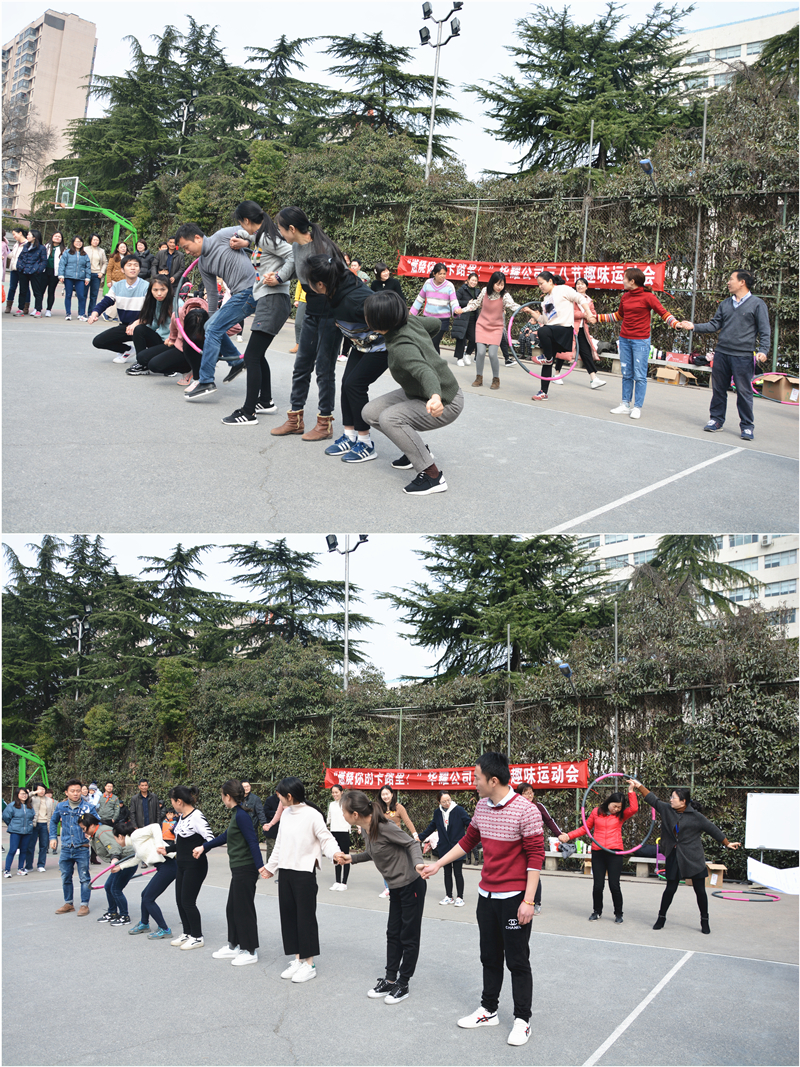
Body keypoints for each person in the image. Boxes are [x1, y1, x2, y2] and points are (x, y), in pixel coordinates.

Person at [420, 752, 544, 1048]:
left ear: (494, 780)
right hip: (486, 896)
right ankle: (489, 1010)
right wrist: (438, 864)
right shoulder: (481, 807)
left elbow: (535, 857)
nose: (473, 783)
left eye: (477, 778)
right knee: (489, 956)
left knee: (517, 959)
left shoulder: (526, 811)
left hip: (514, 898)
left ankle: (523, 1020)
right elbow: (468, 841)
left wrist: (528, 901)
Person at [362, 290, 465, 496]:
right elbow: (435, 324)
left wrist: (435, 396)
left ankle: (432, 476)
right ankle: (417, 451)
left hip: (446, 400)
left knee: (390, 418)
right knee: (370, 413)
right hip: (419, 392)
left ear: (377, 321)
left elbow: (425, 371)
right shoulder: (410, 321)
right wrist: (423, 345)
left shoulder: (401, 346)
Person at [339, 789, 427, 1004]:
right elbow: (374, 852)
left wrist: (418, 863)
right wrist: (352, 858)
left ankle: (403, 983)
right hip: (396, 887)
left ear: (355, 814)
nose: (343, 815)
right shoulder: (366, 829)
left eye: (344, 811)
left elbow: (412, 843)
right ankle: (389, 979)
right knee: (393, 933)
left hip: (411, 884)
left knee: (408, 935)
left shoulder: (384, 826)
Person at [268, 206, 348, 441]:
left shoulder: (324, 248)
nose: (280, 233)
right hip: (311, 312)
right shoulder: (296, 246)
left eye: (281, 229)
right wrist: (278, 278)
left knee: (324, 369)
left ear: (292, 228)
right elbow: (293, 266)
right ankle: (295, 419)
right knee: (301, 366)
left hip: (331, 315)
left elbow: (343, 280)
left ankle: (325, 423)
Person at [305, 253, 389, 463]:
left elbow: (390, 317)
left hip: (383, 346)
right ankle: (350, 435)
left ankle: (365, 442)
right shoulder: (336, 287)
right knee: (346, 384)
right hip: (361, 344)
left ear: (321, 284)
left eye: (309, 281)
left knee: (355, 385)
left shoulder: (355, 300)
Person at [629, 778, 740, 934]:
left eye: (673, 797)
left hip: (693, 857)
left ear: (683, 801)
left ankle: (705, 921)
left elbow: (712, 829)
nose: (670, 799)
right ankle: (661, 918)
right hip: (674, 856)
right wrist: (638, 786)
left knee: (700, 891)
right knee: (670, 889)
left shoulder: (696, 816)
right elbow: (652, 799)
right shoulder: (667, 810)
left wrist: (727, 843)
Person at [220, 201, 294, 425]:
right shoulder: (262, 235)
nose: (242, 228)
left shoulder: (267, 238)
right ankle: (265, 401)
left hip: (273, 299)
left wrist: (279, 277)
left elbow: (293, 255)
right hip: (269, 300)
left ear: (246, 220)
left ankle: (248, 411)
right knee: (258, 355)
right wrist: (243, 239)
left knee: (251, 356)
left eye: (241, 224)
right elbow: (251, 236)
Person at [678, 270, 771, 442]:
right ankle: (716, 420)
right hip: (722, 354)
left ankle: (747, 426)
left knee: (744, 392)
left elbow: (765, 331)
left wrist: (763, 350)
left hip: (743, 356)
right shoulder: (726, 303)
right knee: (718, 390)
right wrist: (694, 326)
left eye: (731, 279)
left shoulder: (758, 304)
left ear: (742, 282)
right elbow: (714, 325)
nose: (728, 282)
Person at [264, 776, 339, 983]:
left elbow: (326, 838)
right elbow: (279, 844)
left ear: (289, 796)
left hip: (304, 873)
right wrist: (270, 867)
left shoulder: (312, 815)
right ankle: (298, 959)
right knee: (289, 917)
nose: (278, 799)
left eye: (280, 796)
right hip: (286, 872)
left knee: (305, 918)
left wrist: (335, 854)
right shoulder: (286, 814)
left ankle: (309, 964)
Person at [175, 222, 256, 400]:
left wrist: (246, 242)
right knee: (210, 326)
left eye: (186, 247)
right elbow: (211, 294)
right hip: (238, 295)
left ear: (197, 238)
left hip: (251, 290)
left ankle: (206, 381)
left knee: (212, 328)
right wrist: (211, 320)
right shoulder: (203, 264)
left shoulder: (223, 235)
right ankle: (237, 361)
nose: (187, 252)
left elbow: (258, 231)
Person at [194, 779, 269, 967]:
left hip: (245, 868)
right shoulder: (237, 813)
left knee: (244, 910)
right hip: (238, 869)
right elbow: (225, 836)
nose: (222, 798)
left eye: (222, 795)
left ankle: (250, 950)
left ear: (228, 796)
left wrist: (260, 866)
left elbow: (253, 841)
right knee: (233, 908)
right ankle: (234, 945)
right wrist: (204, 847)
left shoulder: (242, 816)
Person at [596, 267, 680, 419]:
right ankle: (625, 404)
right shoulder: (625, 297)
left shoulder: (649, 297)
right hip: (624, 339)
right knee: (626, 373)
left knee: (640, 376)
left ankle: (637, 407)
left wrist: (676, 324)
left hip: (640, 341)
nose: (622, 281)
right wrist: (598, 317)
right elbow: (619, 315)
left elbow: (663, 313)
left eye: (624, 278)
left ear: (632, 281)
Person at [558, 785, 638, 923]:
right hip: (598, 852)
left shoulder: (621, 815)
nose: (616, 809)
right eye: (614, 806)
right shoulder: (596, 812)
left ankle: (618, 913)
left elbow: (634, 808)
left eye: (619, 807)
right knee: (598, 885)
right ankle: (597, 911)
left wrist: (631, 791)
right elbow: (585, 828)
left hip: (615, 852)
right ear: (609, 802)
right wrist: (569, 836)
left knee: (614, 885)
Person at [164, 784, 216, 950]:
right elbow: (182, 843)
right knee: (180, 900)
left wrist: (202, 848)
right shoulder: (181, 817)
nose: (172, 805)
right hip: (181, 864)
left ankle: (197, 936)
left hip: (195, 866)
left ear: (179, 801)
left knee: (188, 901)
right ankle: (187, 932)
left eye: (172, 801)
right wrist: (166, 849)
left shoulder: (197, 816)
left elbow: (210, 838)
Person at [527, 271, 594, 400]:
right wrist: (531, 312)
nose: (540, 286)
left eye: (541, 283)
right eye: (538, 284)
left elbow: (580, 298)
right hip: (552, 332)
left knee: (542, 332)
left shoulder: (563, 289)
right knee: (547, 362)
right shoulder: (546, 300)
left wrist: (588, 312)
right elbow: (546, 320)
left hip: (564, 331)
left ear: (550, 281)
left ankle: (547, 357)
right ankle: (543, 392)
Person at [462, 271, 532, 390]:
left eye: (502, 284)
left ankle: (496, 379)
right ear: (492, 283)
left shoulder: (505, 295)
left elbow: (513, 305)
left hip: (496, 327)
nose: (500, 287)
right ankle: (479, 377)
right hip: (482, 325)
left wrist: (523, 309)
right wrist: (462, 310)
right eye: (497, 284)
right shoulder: (485, 291)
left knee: (493, 354)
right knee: (480, 353)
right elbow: (475, 304)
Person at [49, 779, 98, 915]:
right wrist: (53, 837)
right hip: (66, 847)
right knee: (66, 876)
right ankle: (68, 903)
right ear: (66, 792)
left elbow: (97, 823)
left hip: (82, 847)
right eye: (72, 791)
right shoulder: (61, 806)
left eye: (78, 791)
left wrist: (91, 834)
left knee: (84, 877)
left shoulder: (88, 807)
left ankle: (84, 905)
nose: (76, 793)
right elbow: (53, 822)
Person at [128, 809, 178, 939]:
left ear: (121, 836)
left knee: (148, 899)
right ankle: (144, 923)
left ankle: (165, 929)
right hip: (165, 867)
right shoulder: (138, 845)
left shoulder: (135, 836)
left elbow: (155, 826)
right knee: (144, 894)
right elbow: (136, 859)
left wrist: (158, 845)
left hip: (168, 867)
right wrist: (119, 867)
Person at [78, 813, 137, 926]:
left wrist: (114, 859)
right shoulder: (96, 833)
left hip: (125, 862)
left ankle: (125, 916)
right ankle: (112, 912)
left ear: (91, 825)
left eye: (84, 828)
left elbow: (114, 846)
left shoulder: (102, 832)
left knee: (115, 889)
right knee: (108, 886)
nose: (83, 831)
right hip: (120, 862)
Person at [87, 255, 149, 362]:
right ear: (122, 270)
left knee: (144, 359)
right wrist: (94, 313)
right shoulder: (117, 286)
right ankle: (127, 350)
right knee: (98, 341)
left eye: (136, 265)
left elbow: (151, 311)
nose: (133, 268)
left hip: (144, 326)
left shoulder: (147, 286)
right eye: (129, 265)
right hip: (125, 326)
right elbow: (106, 301)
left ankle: (143, 358)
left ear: (139, 269)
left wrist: (137, 323)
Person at [419, 791, 472, 906]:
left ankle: (460, 897)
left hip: (458, 847)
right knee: (447, 873)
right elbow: (432, 827)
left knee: (458, 873)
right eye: (444, 801)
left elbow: (470, 824)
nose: (447, 803)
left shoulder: (459, 810)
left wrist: (472, 838)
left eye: (448, 800)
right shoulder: (437, 813)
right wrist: (420, 837)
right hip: (444, 847)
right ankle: (449, 896)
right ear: (439, 802)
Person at [515, 783, 561, 914]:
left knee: (533, 873)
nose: (530, 795)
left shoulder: (538, 806)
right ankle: (520, 900)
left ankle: (536, 903)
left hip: (534, 845)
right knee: (518, 872)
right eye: (526, 793)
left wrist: (559, 834)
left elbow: (549, 821)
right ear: (519, 794)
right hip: (518, 846)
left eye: (531, 792)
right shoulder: (515, 807)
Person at [124, 276, 175, 373]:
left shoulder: (177, 304)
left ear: (169, 289)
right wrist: (138, 325)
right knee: (139, 329)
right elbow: (155, 324)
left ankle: (171, 365)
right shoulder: (156, 302)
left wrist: (173, 339)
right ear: (151, 290)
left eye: (163, 289)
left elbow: (183, 328)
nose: (159, 293)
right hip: (161, 340)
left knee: (146, 358)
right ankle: (142, 364)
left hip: (172, 343)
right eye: (155, 290)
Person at [409, 263, 461, 352]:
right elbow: (420, 299)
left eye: (444, 274)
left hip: (442, 320)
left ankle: (435, 360)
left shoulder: (449, 285)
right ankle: (431, 359)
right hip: (428, 319)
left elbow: (454, 301)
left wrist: (456, 309)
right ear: (434, 274)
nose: (442, 276)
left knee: (434, 342)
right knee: (427, 342)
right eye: (440, 274)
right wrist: (411, 313)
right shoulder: (428, 283)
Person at [572, 277, 607, 389]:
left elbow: (592, 314)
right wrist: (584, 315)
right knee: (564, 350)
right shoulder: (571, 298)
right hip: (570, 328)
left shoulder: (589, 301)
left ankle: (594, 379)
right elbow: (570, 312)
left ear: (586, 287)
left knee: (586, 352)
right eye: (578, 284)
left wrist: (593, 318)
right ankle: (556, 373)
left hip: (582, 330)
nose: (579, 286)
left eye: (582, 284)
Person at [16, 229, 49, 317]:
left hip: (35, 272)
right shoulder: (26, 246)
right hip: (23, 271)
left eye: (29, 235)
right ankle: (20, 308)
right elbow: (20, 258)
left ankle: (38, 310)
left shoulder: (41, 248)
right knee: (22, 291)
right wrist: (19, 267)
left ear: (34, 237)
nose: (27, 236)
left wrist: (38, 270)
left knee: (37, 292)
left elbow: (44, 261)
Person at [3, 787, 35, 876]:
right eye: (22, 794)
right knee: (12, 850)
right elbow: (6, 817)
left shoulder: (29, 806)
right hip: (15, 832)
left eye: (26, 794)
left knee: (24, 850)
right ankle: (7, 870)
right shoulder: (12, 806)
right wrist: (12, 825)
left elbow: (32, 816)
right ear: (17, 795)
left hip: (27, 832)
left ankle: (20, 868)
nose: (24, 795)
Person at [326, 783, 352, 890]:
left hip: (344, 832)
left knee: (345, 857)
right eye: (333, 792)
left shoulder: (347, 803)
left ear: (341, 792)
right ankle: (337, 881)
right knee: (336, 857)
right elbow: (329, 818)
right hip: (334, 832)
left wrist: (359, 827)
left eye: (336, 792)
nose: (334, 794)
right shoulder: (331, 804)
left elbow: (353, 816)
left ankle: (344, 883)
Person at [451, 272, 480, 366]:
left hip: (473, 318)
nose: (474, 282)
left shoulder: (477, 291)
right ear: (468, 280)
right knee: (461, 338)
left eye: (475, 280)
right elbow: (455, 301)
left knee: (474, 338)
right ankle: (459, 358)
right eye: (472, 280)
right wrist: (467, 302)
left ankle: (467, 354)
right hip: (462, 317)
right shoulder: (462, 289)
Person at [26, 783, 54, 872]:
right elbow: (26, 797)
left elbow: (52, 813)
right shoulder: (32, 798)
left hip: (45, 824)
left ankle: (41, 865)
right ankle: (28, 866)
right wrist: (34, 793)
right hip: (34, 824)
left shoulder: (49, 800)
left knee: (44, 846)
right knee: (30, 846)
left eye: (43, 789)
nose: (42, 791)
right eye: (40, 789)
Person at [5, 228, 28, 314]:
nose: (14, 236)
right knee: (12, 287)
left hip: (23, 270)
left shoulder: (27, 244)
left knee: (25, 288)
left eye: (15, 234)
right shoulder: (16, 244)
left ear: (20, 233)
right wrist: (5, 250)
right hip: (14, 269)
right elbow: (12, 255)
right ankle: (8, 306)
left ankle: (25, 307)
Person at [44, 231, 65, 316]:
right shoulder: (46, 246)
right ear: (52, 237)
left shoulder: (63, 249)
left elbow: (63, 263)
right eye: (56, 236)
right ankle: (37, 308)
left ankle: (48, 310)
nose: (57, 238)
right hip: (44, 271)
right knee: (40, 291)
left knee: (51, 291)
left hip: (55, 273)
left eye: (59, 237)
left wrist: (61, 274)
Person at [86, 234, 108, 312]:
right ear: (90, 240)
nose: (95, 241)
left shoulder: (101, 251)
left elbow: (105, 262)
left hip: (97, 275)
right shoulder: (85, 249)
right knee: (83, 295)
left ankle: (91, 312)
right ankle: (81, 313)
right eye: (94, 240)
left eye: (97, 240)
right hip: (86, 275)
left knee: (94, 295)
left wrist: (102, 272)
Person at [290, 280, 306, 354]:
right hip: (303, 300)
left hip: (315, 300)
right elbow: (299, 284)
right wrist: (297, 299)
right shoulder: (303, 273)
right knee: (298, 323)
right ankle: (298, 344)